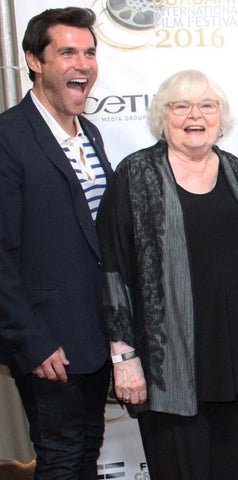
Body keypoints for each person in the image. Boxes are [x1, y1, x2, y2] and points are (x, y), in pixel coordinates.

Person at [96, 69, 238, 480]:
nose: (194, 115)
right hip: (170, 369)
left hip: (233, 360)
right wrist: (124, 357)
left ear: (221, 117)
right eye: (181, 106)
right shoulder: (137, 173)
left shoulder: (235, 170)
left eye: (206, 106)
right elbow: (113, 267)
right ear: (164, 117)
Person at [0, 8, 112, 480]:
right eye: (67, 52)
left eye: (88, 52)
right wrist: (31, 340)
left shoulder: (90, 133)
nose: (81, 64)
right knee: (62, 459)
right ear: (34, 60)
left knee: (86, 452)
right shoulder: (9, 137)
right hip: (48, 344)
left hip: (96, 336)